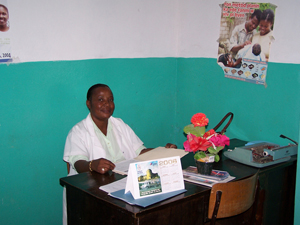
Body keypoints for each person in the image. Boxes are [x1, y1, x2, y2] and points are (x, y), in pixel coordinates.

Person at [62, 84, 177, 224]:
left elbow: (140, 151)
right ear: (88, 103)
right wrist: (93, 164)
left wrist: (163, 150)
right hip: (92, 194)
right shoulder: (78, 131)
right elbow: (78, 163)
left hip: (122, 188)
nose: (107, 104)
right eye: (100, 99)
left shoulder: (120, 124)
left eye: (110, 100)